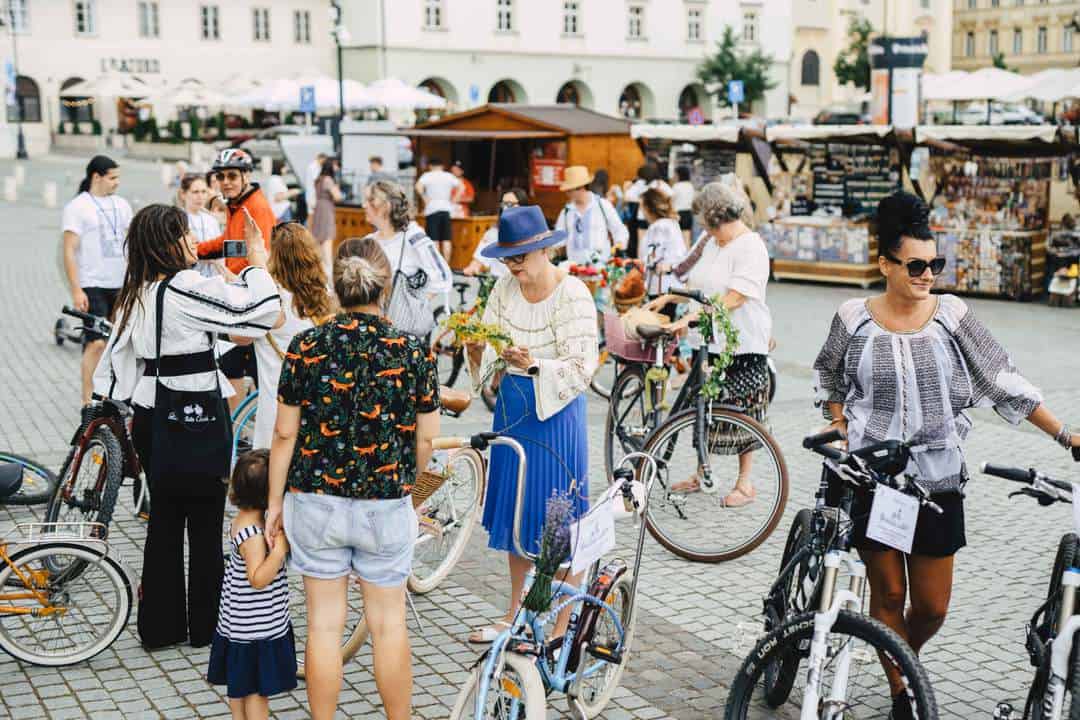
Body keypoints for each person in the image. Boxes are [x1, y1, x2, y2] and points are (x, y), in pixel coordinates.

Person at [812, 191, 1080, 719]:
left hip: (937, 480)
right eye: (915, 264)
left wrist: (1065, 434)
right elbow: (828, 374)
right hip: (873, 476)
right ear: (885, 264)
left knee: (932, 606)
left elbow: (1002, 379)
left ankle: (899, 660)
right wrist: (839, 424)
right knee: (887, 594)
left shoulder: (952, 315)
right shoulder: (854, 317)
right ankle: (903, 696)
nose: (927, 273)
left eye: (935, 263)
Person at [92, 204, 282, 650]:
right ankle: (206, 623)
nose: (191, 241)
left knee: (162, 520)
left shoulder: (135, 291)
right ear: (169, 242)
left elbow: (116, 366)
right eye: (184, 233)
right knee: (205, 518)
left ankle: (160, 626)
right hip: (197, 411)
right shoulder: (186, 287)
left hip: (151, 413)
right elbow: (255, 315)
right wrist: (256, 262)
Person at [267, 239, 440, 720]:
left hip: (315, 502)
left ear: (337, 290)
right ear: (382, 290)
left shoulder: (306, 346)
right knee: (389, 624)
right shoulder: (413, 352)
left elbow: (284, 433)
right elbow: (426, 439)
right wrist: (413, 484)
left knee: (323, 627)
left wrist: (275, 503)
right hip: (385, 503)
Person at [465, 205, 598, 643]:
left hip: (556, 414)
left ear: (546, 250)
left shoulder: (573, 292)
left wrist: (536, 364)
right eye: (507, 260)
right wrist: (477, 352)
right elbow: (489, 343)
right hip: (513, 407)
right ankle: (514, 611)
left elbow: (583, 367)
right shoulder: (503, 289)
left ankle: (561, 624)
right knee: (518, 513)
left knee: (558, 517)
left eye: (519, 259)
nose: (513, 268)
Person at [647, 181, 772, 507]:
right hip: (710, 340)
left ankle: (745, 484)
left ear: (721, 218)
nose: (706, 230)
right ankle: (702, 471)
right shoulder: (714, 242)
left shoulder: (750, 246)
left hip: (742, 342)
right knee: (705, 408)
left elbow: (735, 297)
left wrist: (689, 318)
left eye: (708, 224)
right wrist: (671, 297)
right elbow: (696, 283)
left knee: (744, 410)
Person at [207, 450, 297, 720]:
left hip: (236, 624)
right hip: (256, 629)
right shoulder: (254, 535)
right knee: (257, 691)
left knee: (239, 686)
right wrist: (280, 551)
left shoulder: (243, 520)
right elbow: (257, 579)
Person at [231, 223, 334, 450]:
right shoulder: (325, 293)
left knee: (273, 469)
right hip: (318, 400)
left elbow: (238, 336)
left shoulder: (272, 300)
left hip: (278, 404)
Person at [196, 148, 277, 411]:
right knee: (234, 365)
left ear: (246, 176)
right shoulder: (236, 205)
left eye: (232, 175)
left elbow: (260, 255)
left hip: (251, 297)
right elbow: (230, 243)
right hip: (239, 294)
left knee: (249, 366)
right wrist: (195, 250)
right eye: (220, 176)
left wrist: (233, 277)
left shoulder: (256, 208)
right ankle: (240, 428)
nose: (226, 181)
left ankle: (253, 427)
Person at [62, 155, 133, 404]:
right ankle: (87, 401)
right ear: (96, 177)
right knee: (96, 344)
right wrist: (76, 289)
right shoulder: (78, 206)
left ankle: (109, 396)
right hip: (92, 285)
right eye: (112, 178)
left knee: (118, 344)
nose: (117, 183)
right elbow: (69, 249)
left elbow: (129, 242)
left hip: (121, 285)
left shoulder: (122, 205)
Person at [362, 179, 452, 304]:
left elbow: (443, 276)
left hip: (402, 321)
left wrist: (416, 307)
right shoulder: (369, 241)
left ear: (385, 206)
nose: (364, 205)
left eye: (370, 200)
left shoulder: (414, 238)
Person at [555, 165, 628, 266]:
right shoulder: (567, 212)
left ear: (580, 188)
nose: (567, 194)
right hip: (574, 269)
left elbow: (619, 230)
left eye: (569, 190)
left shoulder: (602, 205)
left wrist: (618, 246)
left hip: (600, 268)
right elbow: (559, 239)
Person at [462, 188, 528, 278]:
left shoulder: (532, 233)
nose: (505, 208)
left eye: (510, 204)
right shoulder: (494, 233)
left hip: (524, 284)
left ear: (522, 207)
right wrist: (472, 268)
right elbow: (479, 259)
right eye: (503, 204)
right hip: (499, 283)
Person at [638, 188, 686, 298]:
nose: (642, 212)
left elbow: (653, 257)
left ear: (648, 208)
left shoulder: (658, 227)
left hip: (660, 286)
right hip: (674, 285)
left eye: (642, 207)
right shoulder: (672, 223)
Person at [415, 157, 460, 261]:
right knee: (446, 239)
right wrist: (453, 201)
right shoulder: (449, 176)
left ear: (430, 166)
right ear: (442, 166)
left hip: (432, 210)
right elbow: (461, 187)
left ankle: (437, 264)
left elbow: (418, 186)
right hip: (446, 210)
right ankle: (447, 265)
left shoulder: (427, 176)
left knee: (434, 239)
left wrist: (424, 197)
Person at [179, 174, 224, 278]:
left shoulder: (211, 220)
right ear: (183, 194)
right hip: (187, 277)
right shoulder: (177, 219)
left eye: (204, 192)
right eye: (195, 192)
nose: (200, 196)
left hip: (212, 277)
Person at [624, 164, 672, 258]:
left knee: (642, 243)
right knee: (657, 242)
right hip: (658, 217)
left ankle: (641, 264)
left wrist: (641, 200)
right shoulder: (660, 183)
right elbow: (670, 193)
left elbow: (627, 197)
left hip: (642, 217)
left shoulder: (640, 183)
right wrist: (659, 201)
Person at [310, 158, 343, 278]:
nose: (337, 168)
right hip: (326, 209)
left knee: (319, 238)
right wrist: (337, 187)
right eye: (336, 166)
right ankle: (329, 271)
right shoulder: (328, 180)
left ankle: (321, 270)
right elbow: (338, 196)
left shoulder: (319, 179)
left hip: (319, 209)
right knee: (327, 238)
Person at [671, 165, 695, 247]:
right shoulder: (690, 186)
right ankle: (687, 255)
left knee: (676, 238)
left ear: (678, 175)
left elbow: (671, 200)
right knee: (686, 238)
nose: (673, 176)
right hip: (688, 213)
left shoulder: (676, 186)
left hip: (677, 214)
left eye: (675, 174)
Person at [304, 152, 327, 224]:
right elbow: (316, 179)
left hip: (312, 194)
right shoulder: (314, 167)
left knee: (312, 215)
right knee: (311, 215)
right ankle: (307, 232)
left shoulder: (314, 166)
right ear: (321, 158)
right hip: (312, 195)